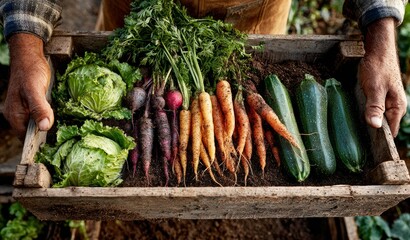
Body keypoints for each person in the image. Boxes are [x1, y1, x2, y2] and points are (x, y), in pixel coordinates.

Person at [0, 0, 407, 140]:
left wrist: (382, 37)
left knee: (246, 71)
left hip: (253, 16)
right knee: (131, 90)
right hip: (141, 13)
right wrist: (26, 44)